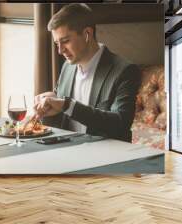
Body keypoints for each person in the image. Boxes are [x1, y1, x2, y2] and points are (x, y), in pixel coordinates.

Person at [33, 3, 141, 142]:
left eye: (65, 41)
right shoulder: (67, 66)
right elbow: (62, 100)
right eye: (57, 43)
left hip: (106, 156)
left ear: (87, 34)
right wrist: (51, 99)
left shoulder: (124, 70)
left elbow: (120, 123)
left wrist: (67, 105)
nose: (60, 50)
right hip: (66, 151)